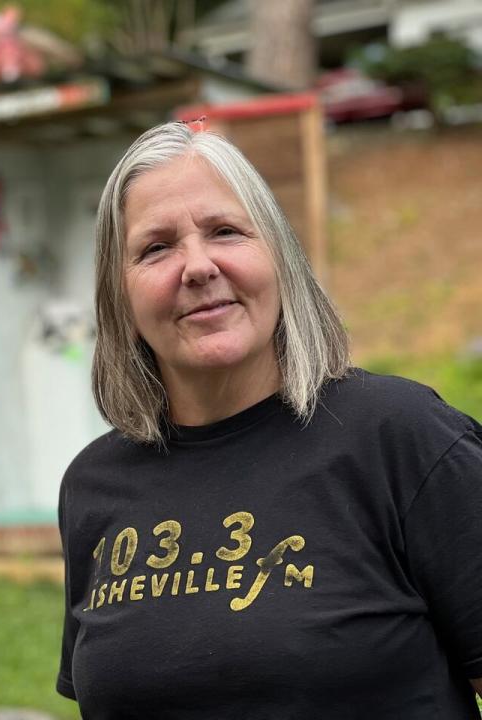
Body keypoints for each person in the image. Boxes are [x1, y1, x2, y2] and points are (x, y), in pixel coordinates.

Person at [56, 122, 482, 718]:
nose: (198, 266)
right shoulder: (93, 486)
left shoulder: (402, 438)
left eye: (226, 231)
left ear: (280, 259)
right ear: (118, 297)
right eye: (156, 247)